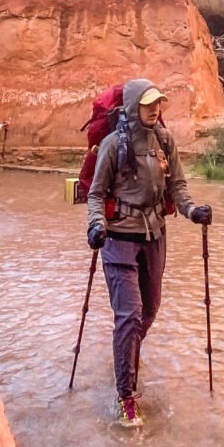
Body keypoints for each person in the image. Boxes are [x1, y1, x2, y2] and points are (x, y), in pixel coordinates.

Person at [86, 79, 213, 427]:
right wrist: (95, 226)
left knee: (149, 310)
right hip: (118, 239)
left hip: (155, 236)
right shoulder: (113, 145)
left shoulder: (165, 140)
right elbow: (96, 194)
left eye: (158, 104)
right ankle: (125, 393)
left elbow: (178, 187)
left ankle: (123, 353)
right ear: (131, 107)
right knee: (130, 314)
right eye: (147, 104)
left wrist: (192, 211)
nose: (155, 109)